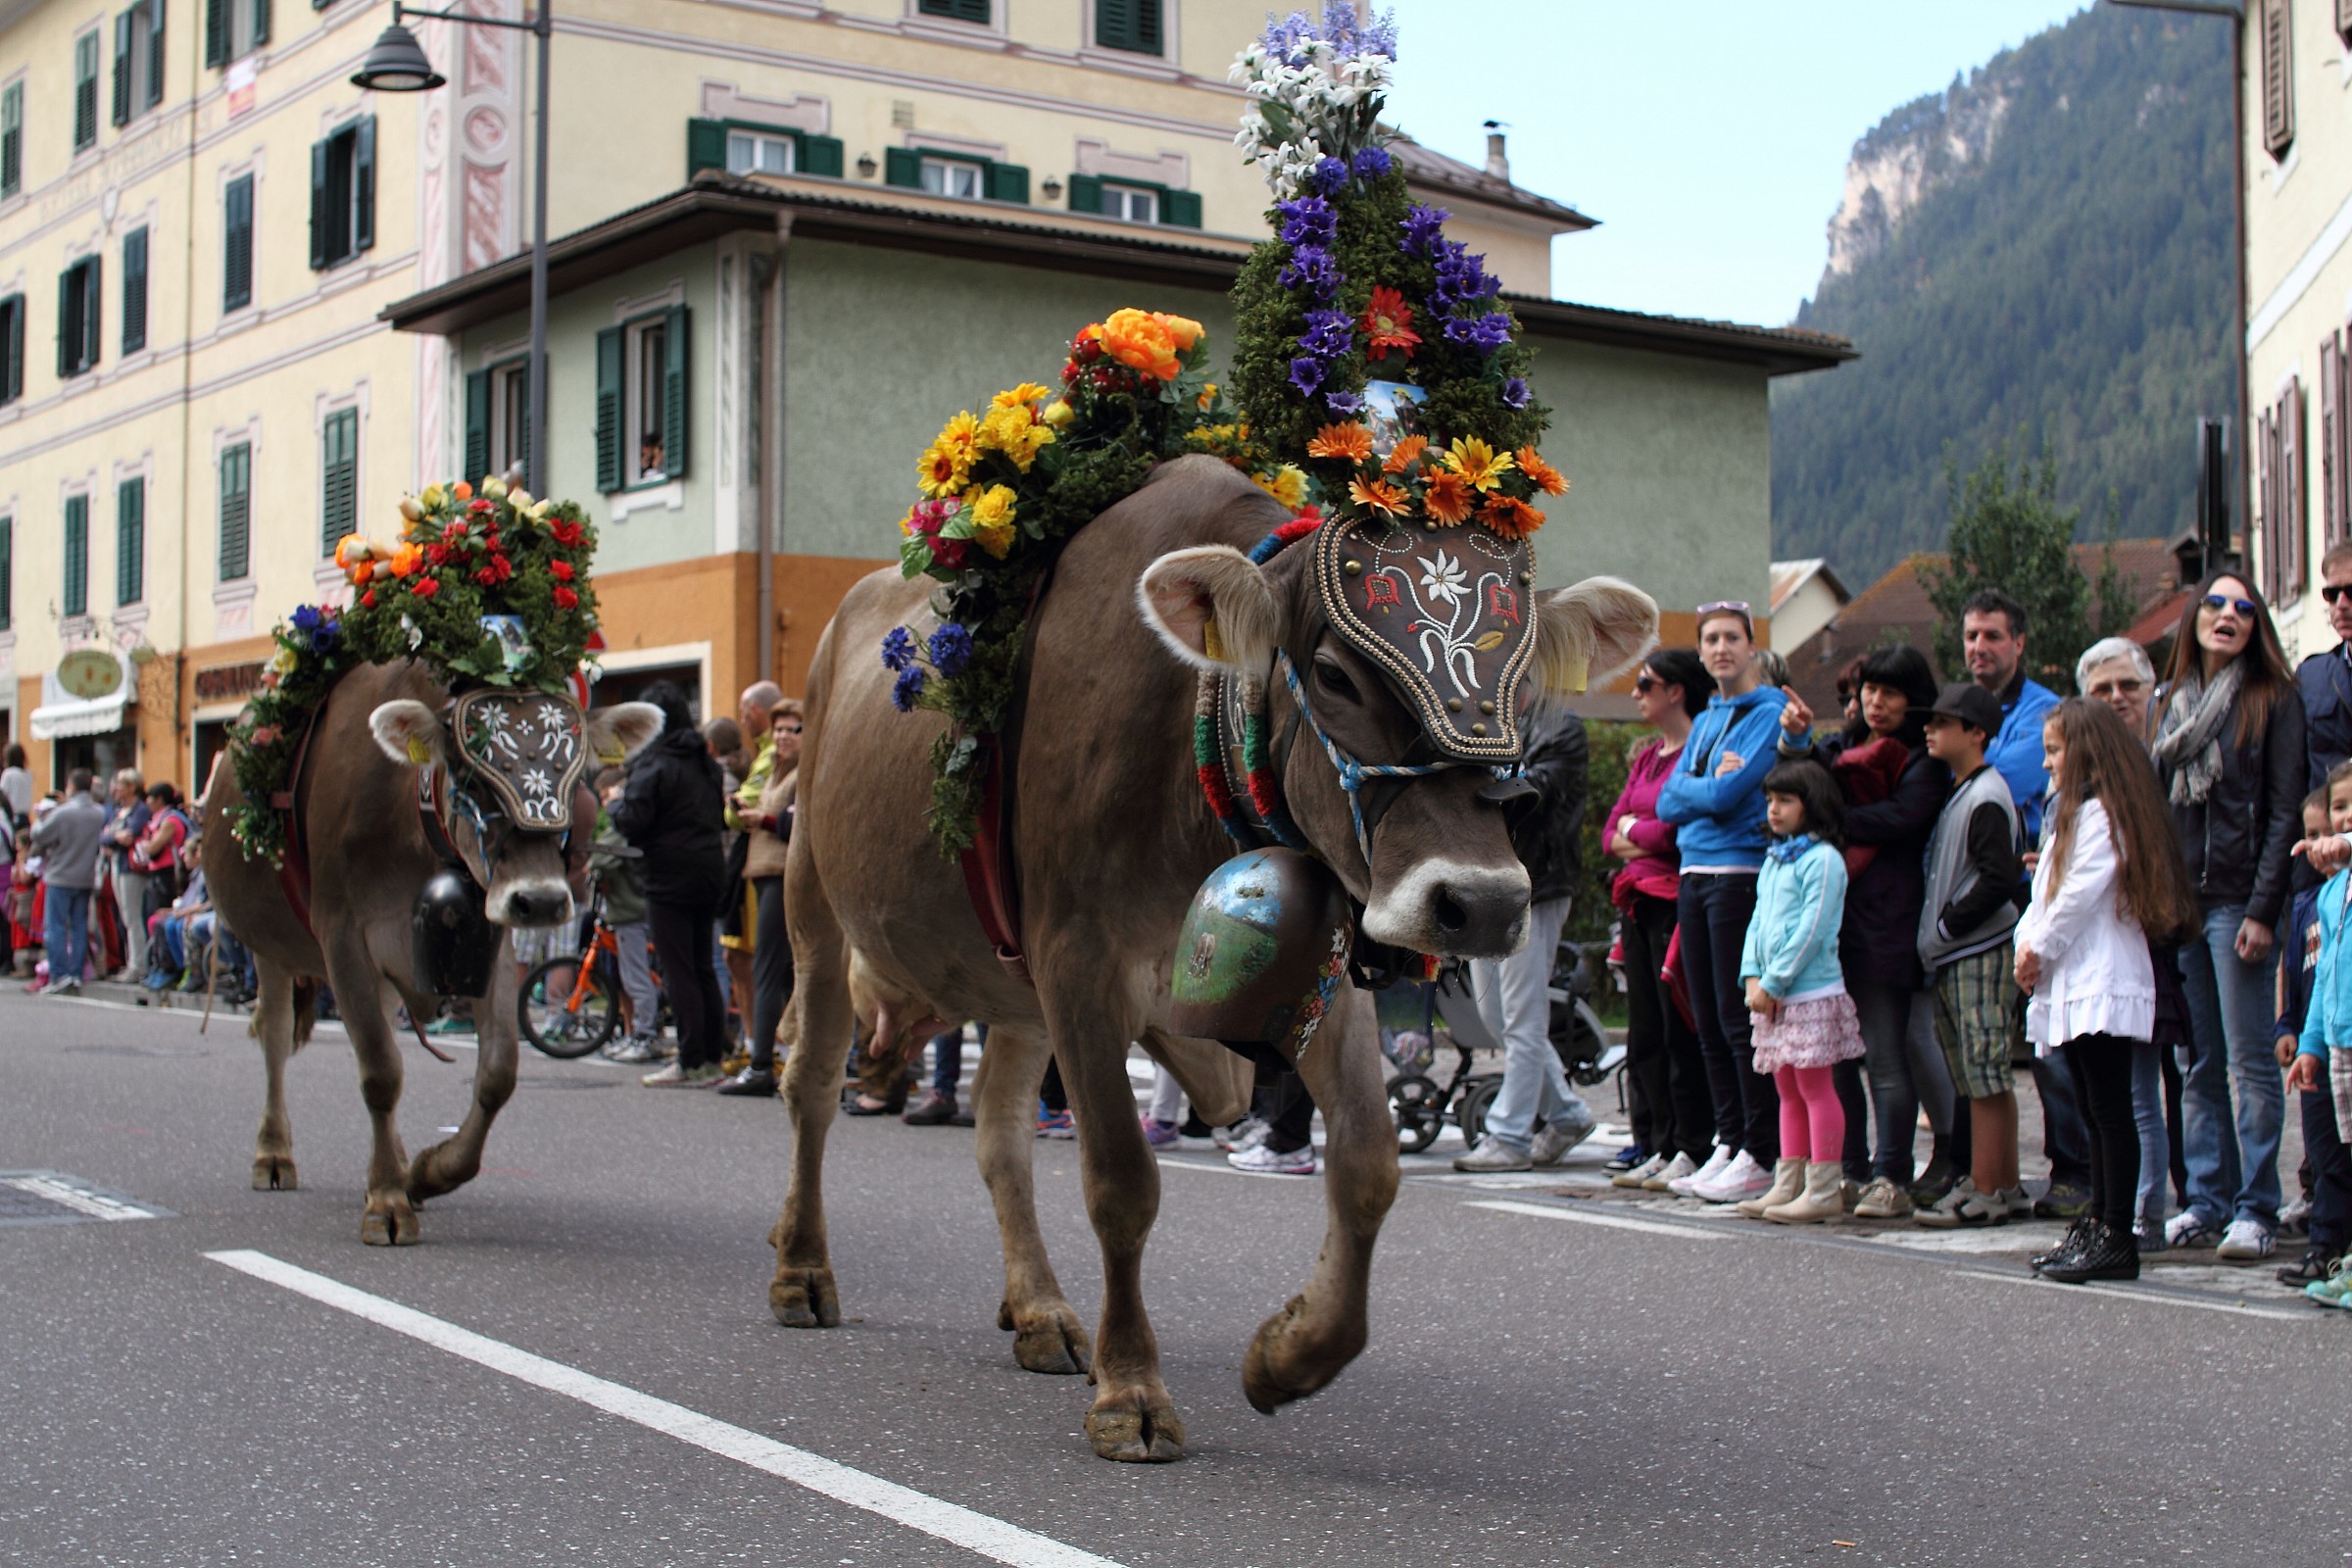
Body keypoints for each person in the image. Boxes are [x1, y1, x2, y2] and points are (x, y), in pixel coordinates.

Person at [2016, 699, 2198, 1283]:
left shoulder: (2103, 814)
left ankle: (2117, 1230)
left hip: (2101, 976)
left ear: (2086, 751)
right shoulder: (2073, 812)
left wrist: (2037, 948)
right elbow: (2045, 893)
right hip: (2073, 974)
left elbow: (2077, 896)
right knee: (2095, 1110)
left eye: (2054, 751)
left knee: (2111, 1107)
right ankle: (2099, 1221)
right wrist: (2028, 944)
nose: (2047, 764)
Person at [2152, 571, 2306, 1261]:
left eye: (2244, 608)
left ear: (2256, 627)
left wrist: (2263, 909)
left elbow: (2282, 813)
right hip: (2184, 906)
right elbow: (2159, 812)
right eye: (2215, 603)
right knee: (2197, 1062)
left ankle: (2256, 1207)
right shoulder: (2169, 703)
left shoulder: (2274, 700)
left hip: (2239, 902)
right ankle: (2207, 1201)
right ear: (2194, 618)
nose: (2228, 615)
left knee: (2249, 1063)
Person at [1777, 644, 1958, 1218]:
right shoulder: (1841, 747)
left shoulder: (1924, 761)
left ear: (1914, 701)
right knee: (1836, 1055)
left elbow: (1902, 819)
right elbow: (1800, 786)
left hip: (1889, 922)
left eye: (1890, 694)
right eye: (1869, 692)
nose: (1876, 703)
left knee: (1885, 1055)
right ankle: (1848, 1170)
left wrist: (1830, 820)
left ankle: (1891, 1176)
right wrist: (1799, 742)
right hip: (1837, 923)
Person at [1961, 589, 2094, 1221]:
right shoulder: (1964, 708)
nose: (1980, 648)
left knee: (2054, 1046)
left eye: (1992, 636)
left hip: (2036, 886)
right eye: (1971, 636)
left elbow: (2000, 778)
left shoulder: (2045, 711)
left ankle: (2076, 1172)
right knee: (2003, 1044)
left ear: (2019, 644)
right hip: (1986, 892)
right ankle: (1984, 1167)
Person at [1656, 600, 1789, 1202]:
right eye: (1710, 639)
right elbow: (1667, 803)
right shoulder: (1709, 714)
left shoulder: (1772, 711)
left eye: (1731, 637)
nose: (1720, 649)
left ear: (1751, 645)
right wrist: (1705, 788)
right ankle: (1729, 1141)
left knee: (1738, 1021)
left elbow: (1737, 791)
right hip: (1694, 872)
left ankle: (1761, 1150)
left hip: (1738, 871)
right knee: (1707, 1018)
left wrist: (1704, 789)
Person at [1453, 700, 1597, 1171]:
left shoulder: (1560, 726)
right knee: (1495, 1014)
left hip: (1535, 883)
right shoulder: (1485, 723)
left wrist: (1473, 781)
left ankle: (1510, 1136)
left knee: (1521, 1016)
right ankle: (1568, 1114)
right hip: (1485, 880)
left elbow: (1534, 792)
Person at [1914, 683, 2027, 1228]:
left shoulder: (1986, 795)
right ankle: (2002, 1182)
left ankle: (1986, 1187)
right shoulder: (1967, 789)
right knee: (1978, 1074)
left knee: (1984, 1071)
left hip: (1977, 949)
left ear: (1977, 733)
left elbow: (1998, 879)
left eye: (1944, 722)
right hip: (1959, 951)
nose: (1931, 730)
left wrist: (1946, 923)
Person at [1736, 759, 1867, 1224]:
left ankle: (1824, 1185)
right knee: (1786, 1088)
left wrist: (1773, 981)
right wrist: (1752, 974)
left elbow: (1813, 929)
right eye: (1770, 800)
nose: (1774, 809)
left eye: (1785, 801)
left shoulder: (1824, 860)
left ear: (1811, 804)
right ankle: (1787, 1182)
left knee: (1814, 1086)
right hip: (1772, 996)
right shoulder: (1776, 858)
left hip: (1809, 993)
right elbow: (1757, 923)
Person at [1608, 649, 1716, 1193]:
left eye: (1646, 684)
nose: (1636, 694)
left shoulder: (1696, 749)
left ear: (1676, 691)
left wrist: (1640, 828)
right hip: (1636, 901)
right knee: (1645, 1030)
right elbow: (1610, 834)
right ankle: (1653, 1140)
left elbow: (1674, 831)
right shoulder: (1647, 757)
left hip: (1675, 900)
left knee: (1681, 1025)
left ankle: (1690, 1143)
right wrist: (1638, 826)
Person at [611, 682, 730, 1087]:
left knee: (677, 968)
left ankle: (690, 1060)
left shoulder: (654, 763)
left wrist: (614, 803)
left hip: (668, 875)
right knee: (703, 966)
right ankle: (712, 1056)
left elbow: (632, 821)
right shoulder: (704, 761)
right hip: (710, 868)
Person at [2277, 782, 2352, 1290]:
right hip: (2340, 1045)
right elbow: (2323, 976)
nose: (2345, 817)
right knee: (2338, 1156)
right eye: (2340, 806)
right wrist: (2309, 1045)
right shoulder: (2330, 893)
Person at [720, 700, 804, 1098]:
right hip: (765, 873)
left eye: (794, 729)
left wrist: (762, 820)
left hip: (785, 875)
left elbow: (800, 821)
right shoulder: (774, 770)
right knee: (782, 973)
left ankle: (761, 1066)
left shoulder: (806, 771)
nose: (784, 736)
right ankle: (785, 1059)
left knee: (769, 970)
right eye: (780, 730)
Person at [588, 766, 666, 1064]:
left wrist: (595, 866)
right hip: (631, 908)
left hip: (630, 909)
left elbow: (602, 856)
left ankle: (645, 1033)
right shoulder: (633, 820)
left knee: (636, 977)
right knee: (636, 974)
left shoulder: (624, 824)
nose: (607, 805)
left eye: (608, 797)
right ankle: (638, 1030)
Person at [30, 769, 107, 997]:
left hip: (60, 875)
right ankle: (76, 972)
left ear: (71, 786)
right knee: (79, 926)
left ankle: (59, 974)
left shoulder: (62, 813)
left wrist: (40, 818)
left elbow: (40, 835)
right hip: (85, 875)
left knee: (55, 926)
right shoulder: (98, 812)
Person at [2302, 542, 2352, 785]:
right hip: (2332, 819)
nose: (2341, 605)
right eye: (2332, 595)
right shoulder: (2310, 677)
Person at [99, 769, 151, 979]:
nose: (116, 789)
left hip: (132, 868)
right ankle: (132, 962)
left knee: (133, 916)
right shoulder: (117, 810)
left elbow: (130, 835)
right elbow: (102, 838)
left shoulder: (140, 810)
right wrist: (114, 837)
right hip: (117, 865)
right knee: (124, 916)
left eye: (120, 785)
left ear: (132, 787)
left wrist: (113, 837)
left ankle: (138, 965)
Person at [2079, 637, 2159, 743]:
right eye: (2103, 690)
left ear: (2150, 689)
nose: (2117, 696)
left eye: (2128, 685)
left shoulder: (2179, 750)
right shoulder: (2074, 758)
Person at [0, 743, 31, 824]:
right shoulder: (28, 774)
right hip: (25, 817)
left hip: (12, 817)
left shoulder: (8, 773)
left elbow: (2, 796)